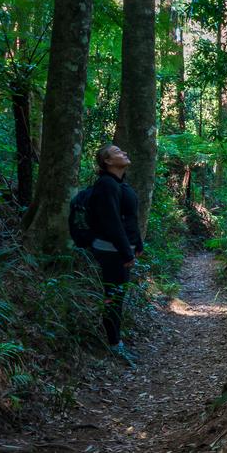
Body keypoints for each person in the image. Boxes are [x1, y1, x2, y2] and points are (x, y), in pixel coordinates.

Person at [88, 144, 143, 364]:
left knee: (118, 296)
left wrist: (137, 244)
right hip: (111, 252)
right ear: (108, 162)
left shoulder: (119, 184)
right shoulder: (106, 185)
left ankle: (116, 341)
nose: (125, 153)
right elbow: (111, 223)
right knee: (113, 297)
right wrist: (125, 253)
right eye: (118, 152)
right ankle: (114, 344)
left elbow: (129, 218)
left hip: (120, 250)